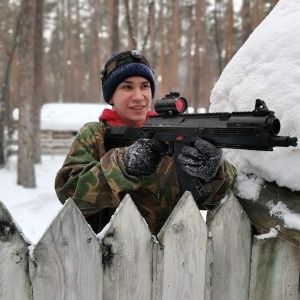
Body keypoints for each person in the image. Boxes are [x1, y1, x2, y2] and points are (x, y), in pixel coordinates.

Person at [55, 50, 236, 234]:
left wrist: (214, 171)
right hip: (111, 254)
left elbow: (218, 199)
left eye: (144, 86)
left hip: (177, 250)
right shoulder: (95, 135)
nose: (139, 96)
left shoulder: (175, 134)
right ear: (110, 96)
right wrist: (124, 164)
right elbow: (68, 193)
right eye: (127, 87)